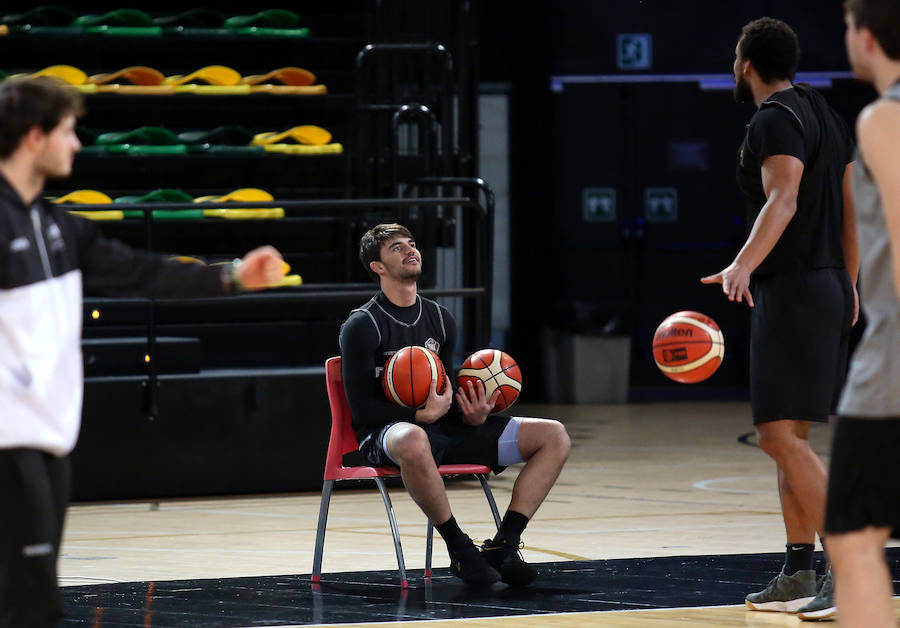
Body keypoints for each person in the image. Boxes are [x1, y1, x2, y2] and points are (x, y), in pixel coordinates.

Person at [0, 77, 286, 627]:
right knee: (29, 604)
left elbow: (140, 272)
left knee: (27, 599)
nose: (77, 144)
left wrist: (229, 276)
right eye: (66, 131)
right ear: (34, 136)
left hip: (48, 434)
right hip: (8, 439)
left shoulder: (58, 225)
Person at [701, 18, 858, 620]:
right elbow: (849, 204)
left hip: (793, 289)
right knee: (790, 440)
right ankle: (798, 570)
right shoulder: (826, 112)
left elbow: (783, 199)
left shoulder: (772, 118)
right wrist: (850, 282)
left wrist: (742, 265)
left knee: (777, 439)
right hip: (822, 286)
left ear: (746, 63)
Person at [339, 223, 570, 588]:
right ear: (377, 267)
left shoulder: (441, 318)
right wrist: (418, 416)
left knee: (553, 435)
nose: (410, 251)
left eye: (411, 244)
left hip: (440, 429)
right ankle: (461, 550)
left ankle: (504, 546)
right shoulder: (362, 325)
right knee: (414, 438)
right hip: (386, 435)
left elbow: (445, 393)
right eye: (397, 248)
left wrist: (471, 412)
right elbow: (362, 410)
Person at [826, 3, 900, 626]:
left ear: (868, 35)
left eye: (848, 25)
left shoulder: (886, 118)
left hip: (891, 372)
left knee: (852, 538)